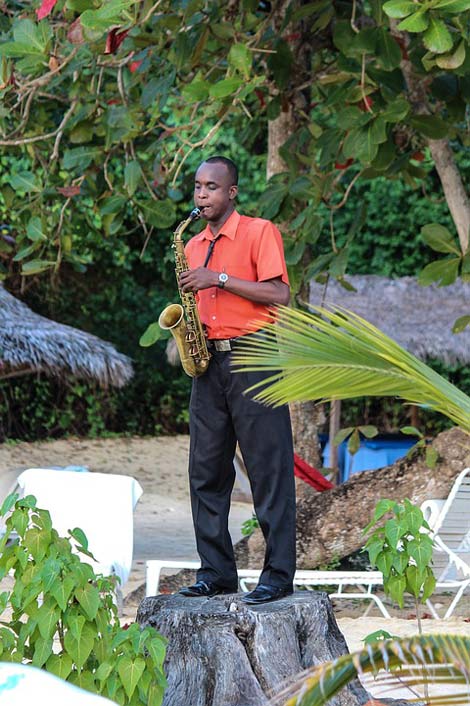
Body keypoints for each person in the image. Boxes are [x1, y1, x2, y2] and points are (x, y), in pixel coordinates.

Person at [178, 156, 296, 605]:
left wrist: (220, 279)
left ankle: (278, 576)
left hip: (254, 357)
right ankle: (217, 573)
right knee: (205, 471)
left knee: (269, 470)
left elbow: (279, 294)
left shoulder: (259, 231)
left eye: (211, 187)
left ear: (232, 193)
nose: (202, 195)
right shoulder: (190, 246)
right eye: (197, 187)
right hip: (208, 363)